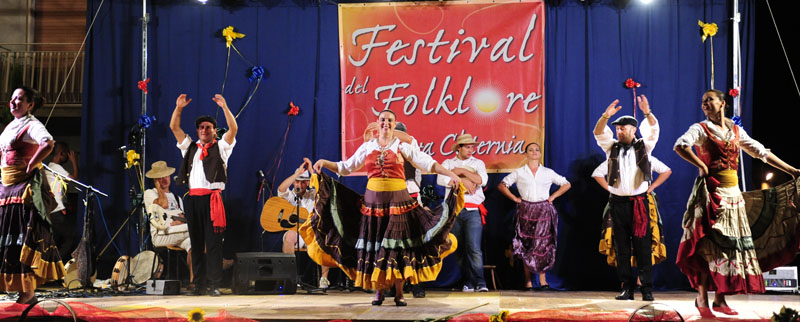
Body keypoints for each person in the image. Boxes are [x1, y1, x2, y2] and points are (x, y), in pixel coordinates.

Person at [305, 109, 463, 306]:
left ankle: (399, 292)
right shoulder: (368, 146)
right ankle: (378, 292)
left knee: (398, 249)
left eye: (389, 120)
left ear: (394, 124)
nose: (386, 123)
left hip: (399, 204)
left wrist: (452, 175)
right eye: (382, 120)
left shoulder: (402, 146)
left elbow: (429, 164)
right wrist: (325, 163)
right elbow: (347, 167)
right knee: (375, 248)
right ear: (377, 123)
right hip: (373, 205)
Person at [674, 89, 800, 317]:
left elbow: (759, 151)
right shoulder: (700, 129)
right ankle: (702, 299)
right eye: (703, 101)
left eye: (709, 100)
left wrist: (792, 170)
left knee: (730, 247)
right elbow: (681, 145)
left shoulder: (734, 130)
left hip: (733, 194)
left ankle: (720, 300)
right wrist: (701, 166)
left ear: (722, 103)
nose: (705, 104)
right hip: (712, 193)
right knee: (707, 246)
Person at [0, 86, 65, 304]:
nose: (13, 102)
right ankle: (17, 288)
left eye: (19, 99)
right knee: (6, 239)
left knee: (22, 237)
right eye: (12, 99)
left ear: (30, 105)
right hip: (6, 189)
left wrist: (31, 164)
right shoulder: (11, 126)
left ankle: (27, 293)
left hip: (24, 189)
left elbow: (48, 143)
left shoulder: (32, 125)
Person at [170, 93, 238, 296]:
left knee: (214, 245)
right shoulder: (190, 147)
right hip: (193, 200)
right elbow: (174, 128)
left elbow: (233, 129)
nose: (203, 130)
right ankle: (198, 284)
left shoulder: (222, 147)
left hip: (213, 200)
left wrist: (225, 107)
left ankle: (214, 284)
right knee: (196, 243)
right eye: (201, 127)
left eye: (208, 127)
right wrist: (179, 108)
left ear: (214, 131)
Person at [592, 95, 658, 301]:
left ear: (633, 130)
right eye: (618, 128)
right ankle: (626, 289)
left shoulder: (644, 147)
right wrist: (605, 116)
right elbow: (598, 132)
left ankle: (646, 288)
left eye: (623, 128)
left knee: (643, 247)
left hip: (639, 203)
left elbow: (654, 129)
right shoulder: (611, 147)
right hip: (618, 203)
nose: (619, 131)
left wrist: (647, 112)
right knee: (621, 247)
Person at [497, 142, 570, 291]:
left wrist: (553, 197)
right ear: (526, 154)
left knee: (543, 245)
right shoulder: (520, 172)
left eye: (537, 150)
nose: (534, 152)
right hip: (526, 210)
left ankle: (543, 281)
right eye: (531, 150)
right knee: (527, 245)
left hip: (543, 210)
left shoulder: (548, 172)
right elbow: (502, 185)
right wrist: (515, 199)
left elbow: (566, 184)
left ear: (540, 153)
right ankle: (528, 281)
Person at [592, 156, 671, 285]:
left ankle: (642, 279)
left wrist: (651, 188)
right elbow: (597, 174)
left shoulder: (646, 158)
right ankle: (626, 281)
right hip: (620, 201)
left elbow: (666, 171)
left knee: (645, 239)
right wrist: (611, 190)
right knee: (622, 241)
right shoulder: (615, 158)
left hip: (642, 202)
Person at [437, 133, 489, 292]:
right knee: (458, 248)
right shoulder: (447, 162)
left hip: (473, 209)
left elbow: (482, 181)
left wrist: (460, 171)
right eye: (467, 147)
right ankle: (468, 282)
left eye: (472, 147)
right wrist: (464, 182)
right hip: (455, 210)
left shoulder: (478, 163)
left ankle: (480, 282)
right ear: (459, 148)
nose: (471, 150)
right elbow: (441, 180)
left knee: (474, 247)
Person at [277, 160, 331, 289]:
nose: (299, 184)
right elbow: (281, 189)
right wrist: (296, 175)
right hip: (297, 233)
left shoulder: (312, 194)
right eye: (297, 181)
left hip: (312, 233)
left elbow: (323, 189)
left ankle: (324, 279)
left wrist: (311, 171)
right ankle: (290, 277)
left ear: (307, 183)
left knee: (325, 238)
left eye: (302, 182)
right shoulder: (290, 196)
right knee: (289, 237)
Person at [143, 160, 193, 283]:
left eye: (166, 175)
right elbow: (163, 204)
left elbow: (183, 217)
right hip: (162, 234)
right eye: (160, 178)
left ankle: (194, 281)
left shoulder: (177, 198)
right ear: (155, 180)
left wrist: (181, 221)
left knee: (194, 244)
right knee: (195, 230)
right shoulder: (150, 193)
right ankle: (218, 264)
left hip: (179, 232)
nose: (164, 179)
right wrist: (159, 188)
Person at [45, 141, 80, 261]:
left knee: (56, 239)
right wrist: (74, 161)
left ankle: (52, 264)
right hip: (57, 209)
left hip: (51, 209)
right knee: (71, 236)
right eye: (66, 155)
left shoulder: (49, 167)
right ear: (61, 154)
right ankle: (57, 262)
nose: (67, 158)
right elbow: (74, 179)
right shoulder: (56, 168)